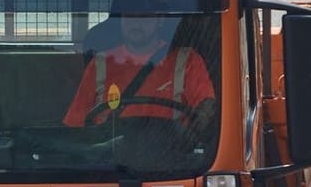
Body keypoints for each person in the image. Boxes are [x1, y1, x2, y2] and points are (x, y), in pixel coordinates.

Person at [62, 14, 216, 131]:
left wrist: (197, 129)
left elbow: (206, 110)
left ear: (160, 20)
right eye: (129, 15)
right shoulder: (100, 63)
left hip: (170, 159)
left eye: (144, 16)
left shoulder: (186, 60)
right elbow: (76, 125)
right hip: (109, 160)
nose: (136, 22)